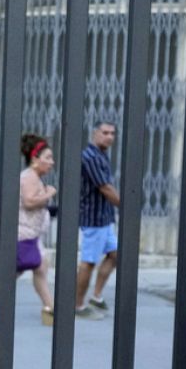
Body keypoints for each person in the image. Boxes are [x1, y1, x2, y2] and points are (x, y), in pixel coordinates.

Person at [0, 133, 57, 327]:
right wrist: (48, 194)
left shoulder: (33, 176)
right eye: (47, 158)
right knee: (13, 272)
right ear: (35, 159)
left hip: (30, 234)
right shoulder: (29, 177)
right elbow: (30, 202)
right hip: (22, 234)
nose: (52, 162)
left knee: (40, 268)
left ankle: (50, 309)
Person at [74, 121, 120, 320]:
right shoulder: (90, 157)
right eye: (105, 133)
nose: (109, 137)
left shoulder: (101, 155)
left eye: (112, 133)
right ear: (95, 134)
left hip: (104, 217)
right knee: (88, 263)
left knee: (116, 254)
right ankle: (77, 306)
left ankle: (96, 296)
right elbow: (105, 188)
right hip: (93, 219)